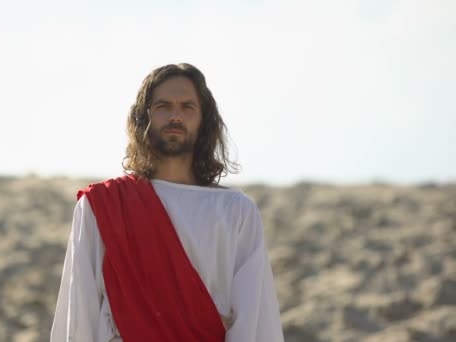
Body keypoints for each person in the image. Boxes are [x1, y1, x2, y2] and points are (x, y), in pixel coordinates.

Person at [50, 63, 284, 341]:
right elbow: (78, 314)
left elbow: (255, 322)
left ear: (204, 119)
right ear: (143, 117)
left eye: (187, 107)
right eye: (163, 106)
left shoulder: (236, 211)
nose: (175, 116)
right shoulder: (101, 207)